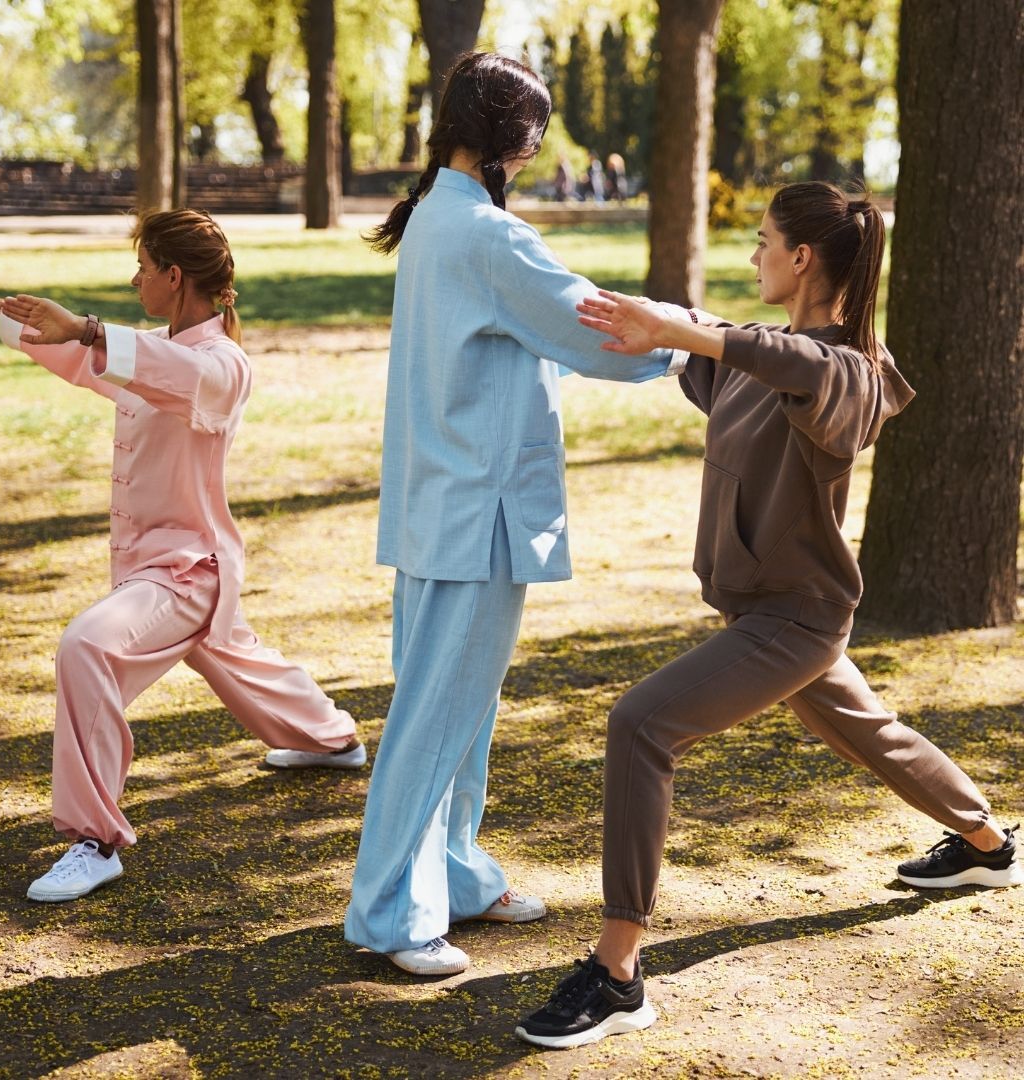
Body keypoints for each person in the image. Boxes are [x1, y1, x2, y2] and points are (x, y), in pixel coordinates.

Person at [515, 180, 1022, 1048]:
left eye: (761, 240)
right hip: (767, 611)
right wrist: (609, 318)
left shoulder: (848, 374)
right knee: (873, 730)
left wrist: (682, 327)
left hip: (795, 618)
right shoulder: (762, 357)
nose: (752, 254)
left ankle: (617, 970)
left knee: (640, 726)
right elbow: (727, 361)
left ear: (801, 257)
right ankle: (989, 844)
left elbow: (795, 366)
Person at [345, 52, 682, 978]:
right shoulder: (486, 236)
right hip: (472, 508)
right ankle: (389, 913)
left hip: (442, 500)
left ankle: (454, 875)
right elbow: (587, 324)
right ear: (514, 139)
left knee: (461, 711)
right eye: (534, 133)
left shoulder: (433, 223)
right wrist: (694, 344)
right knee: (435, 715)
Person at [0, 208, 363, 904]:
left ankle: (95, 839)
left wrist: (87, 327)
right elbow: (91, 361)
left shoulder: (221, 366)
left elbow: (159, 367)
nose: (135, 279)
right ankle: (333, 739)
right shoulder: (147, 350)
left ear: (175, 278)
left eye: (144, 268)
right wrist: (10, 315)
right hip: (160, 573)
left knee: (87, 646)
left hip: (188, 573)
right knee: (240, 661)